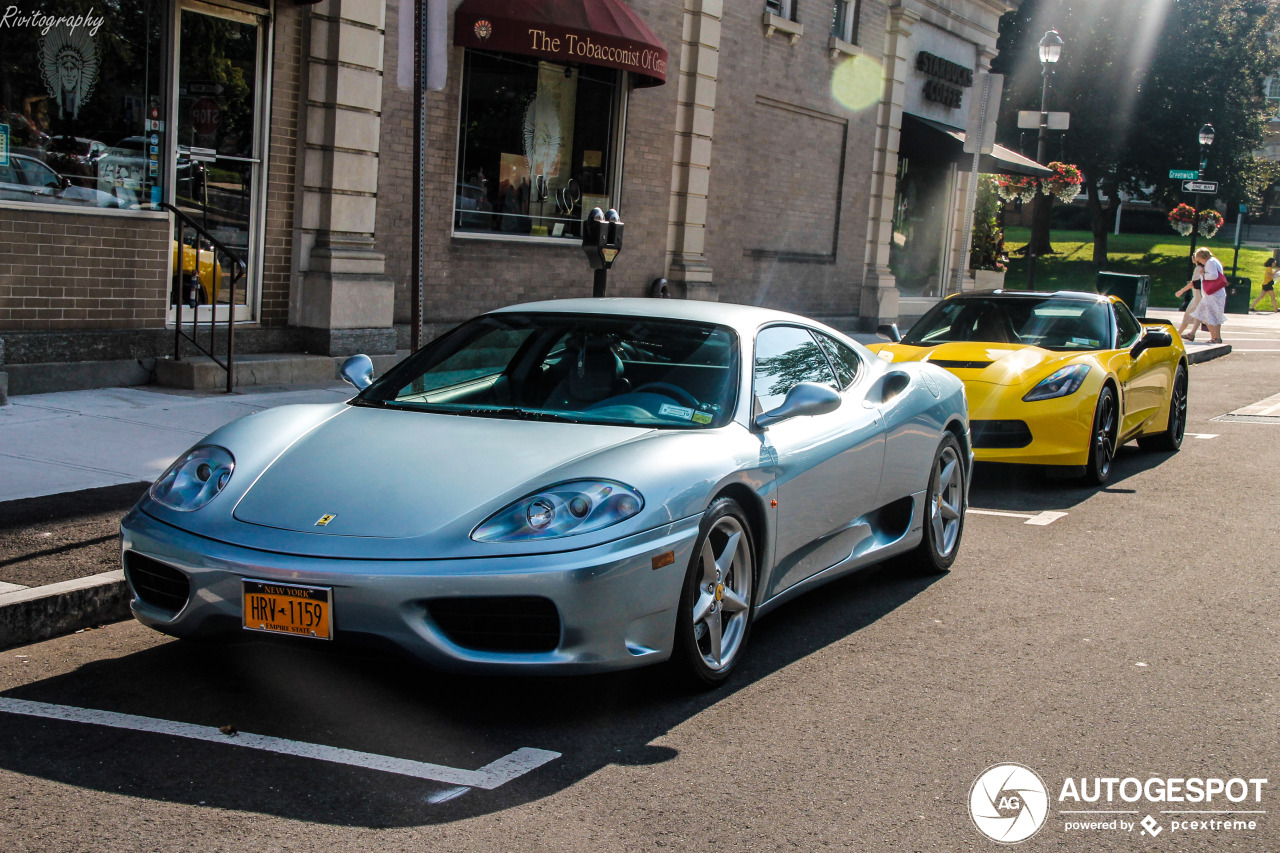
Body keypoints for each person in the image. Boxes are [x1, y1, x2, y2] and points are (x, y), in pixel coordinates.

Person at [1189, 248, 1227, 344]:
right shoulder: (1214, 261)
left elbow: (1214, 276)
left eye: (1200, 259)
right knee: (1204, 312)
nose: (1200, 262)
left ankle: (1216, 338)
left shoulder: (1209, 263)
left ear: (1203, 257)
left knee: (1211, 315)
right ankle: (1193, 334)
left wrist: (1203, 275)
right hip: (1216, 293)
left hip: (1213, 293)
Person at [1175, 260, 1204, 340]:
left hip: (1198, 297)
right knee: (1197, 316)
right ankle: (1181, 334)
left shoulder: (1198, 268)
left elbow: (1193, 283)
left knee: (1190, 315)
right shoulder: (1203, 268)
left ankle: (1178, 334)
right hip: (1200, 296)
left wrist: (1181, 291)